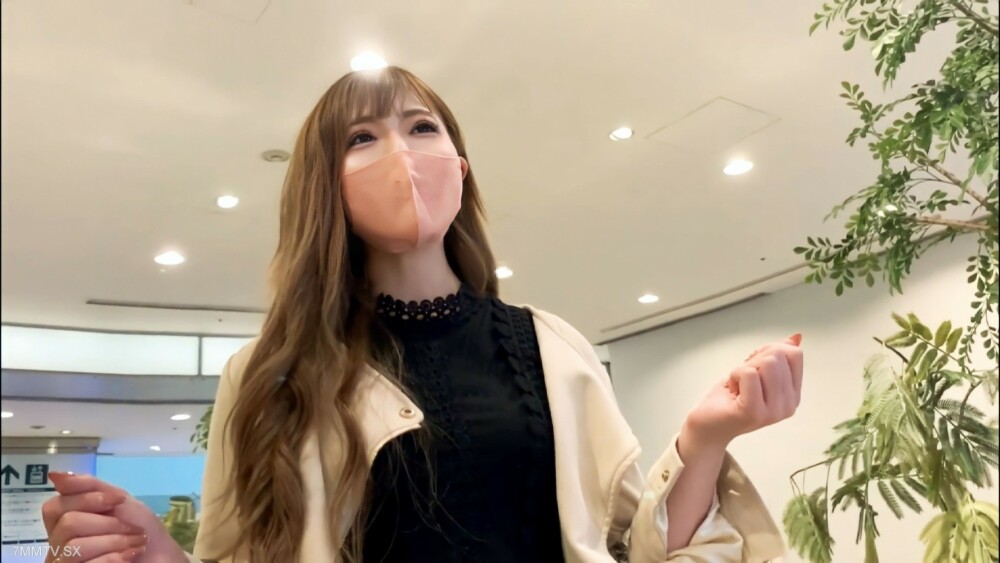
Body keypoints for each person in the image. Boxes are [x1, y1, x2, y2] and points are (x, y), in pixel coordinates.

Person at [40, 67, 803, 563]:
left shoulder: (549, 346)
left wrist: (705, 438)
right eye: (362, 137)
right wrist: (158, 554)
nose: (400, 153)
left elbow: (633, 546)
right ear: (324, 185)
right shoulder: (270, 374)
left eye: (421, 126)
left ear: (459, 169)